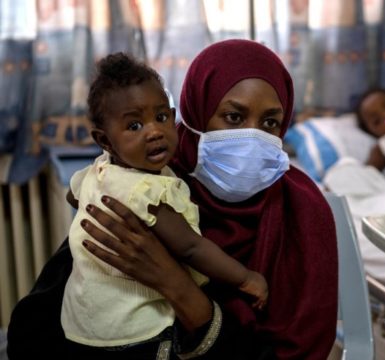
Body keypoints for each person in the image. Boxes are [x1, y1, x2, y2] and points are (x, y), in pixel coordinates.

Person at [8, 39, 338, 360]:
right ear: (197, 112)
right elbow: (35, 329)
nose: (253, 136)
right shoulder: (145, 180)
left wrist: (176, 285)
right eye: (234, 117)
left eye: (270, 123)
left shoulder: (303, 212)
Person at [59, 52, 269, 353]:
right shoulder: (145, 190)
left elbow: (72, 194)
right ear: (105, 141)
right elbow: (191, 247)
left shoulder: (101, 170)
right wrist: (246, 278)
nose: (155, 131)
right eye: (134, 126)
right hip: (137, 330)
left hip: (85, 323)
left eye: (161, 117)